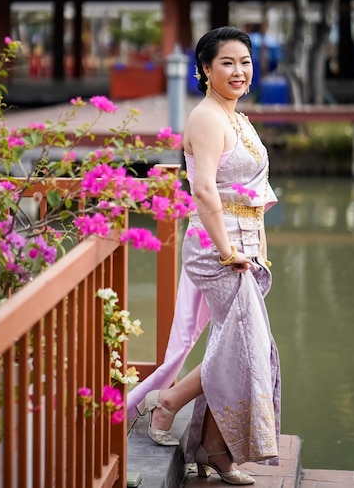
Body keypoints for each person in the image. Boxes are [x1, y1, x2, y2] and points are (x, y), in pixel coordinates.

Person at [133, 26, 280, 485]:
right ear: (204, 69)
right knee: (243, 345)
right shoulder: (207, 118)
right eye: (227, 63)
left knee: (240, 344)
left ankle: (211, 449)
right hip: (215, 248)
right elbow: (202, 189)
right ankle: (171, 405)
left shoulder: (237, 116)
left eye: (245, 62)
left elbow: (252, 191)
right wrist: (228, 249)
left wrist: (257, 248)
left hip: (243, 244)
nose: (239, 71)